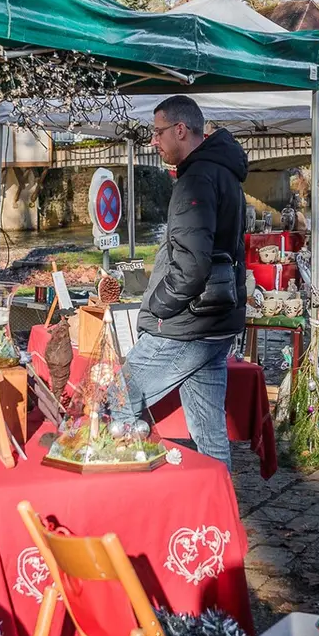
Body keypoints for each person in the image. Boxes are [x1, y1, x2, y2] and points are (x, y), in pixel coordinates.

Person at [126, 96, 249, 463]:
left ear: (180, 130)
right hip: (216, 319)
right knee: (209, 433)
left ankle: (126, 504)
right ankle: (219, 516)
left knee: (115, 400)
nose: (154, 140)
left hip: (186, 323)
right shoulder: (224, 172)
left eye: (158, 131)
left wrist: (159, 307)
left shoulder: (196, 178)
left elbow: (191, 265)